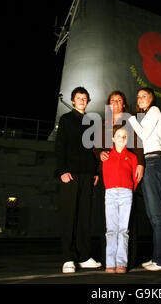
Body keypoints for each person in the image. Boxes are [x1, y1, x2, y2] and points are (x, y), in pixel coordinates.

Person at [93, 91, 144, 269]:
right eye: (112, 100)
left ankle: (126, 260)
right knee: (108, 223)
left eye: (119, 100)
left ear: (124, 104)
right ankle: (109, 261)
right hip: (107, 174)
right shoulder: (103, 124)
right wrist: (100, 155)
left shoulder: (130, 122)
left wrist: (141, 163)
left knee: (126, 224)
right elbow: (96, 147)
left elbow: (138, 142)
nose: (115, 102)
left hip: (127, 173)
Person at [55, 86, 101, 274]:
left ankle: (84, 256)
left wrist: (96, 171)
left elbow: (93, 149)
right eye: (78, 98)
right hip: (70, 174)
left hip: (88, 174)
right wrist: (62, 171)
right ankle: (68, 258)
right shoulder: (66, 120)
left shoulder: (92, 122)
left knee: (84, 216)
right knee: (69, 216)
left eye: (84, 98)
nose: (82, 100)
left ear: (88, 101)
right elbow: (60, 147)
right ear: (73, 101)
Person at [128, 87, 161, 271]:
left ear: (151, 98)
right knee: (152, 214)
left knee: (158, 214)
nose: (140, 99)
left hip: (155, 160)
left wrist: (129, 117)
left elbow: (144, 135)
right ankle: (158, 257)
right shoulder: (145, 116)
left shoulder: (154, 111)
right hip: (149, 161)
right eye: (138, 96)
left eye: (144, 96)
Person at [102, 125, 140, 274]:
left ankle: (121, 263)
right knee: (111, 230)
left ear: (127, 139)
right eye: (119, 136)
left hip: (126, 193)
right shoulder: (106, 156)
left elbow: (135, 178)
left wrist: (128, 188)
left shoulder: (132, 157)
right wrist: (111, 187)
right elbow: (105, 174)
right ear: (113, 139)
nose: (122, 138)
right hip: (110, 193)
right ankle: (110, 263)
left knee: (123, 230)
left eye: (125, 136)